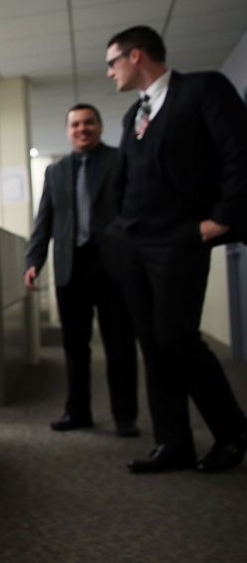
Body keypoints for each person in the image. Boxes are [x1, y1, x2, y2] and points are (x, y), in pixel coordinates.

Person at [103, 25, 247, 473]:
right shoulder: (133, 116)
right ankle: (173, 442)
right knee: (152, 340)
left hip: (180, 236)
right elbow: (126, 177)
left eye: (112, 62)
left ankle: (233, 433)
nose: (109, 72)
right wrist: (117, 231)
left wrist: (222, 217)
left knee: (176, 336)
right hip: (136, 242)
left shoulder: (202, 89)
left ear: (136, 55)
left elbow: (238, 151)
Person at [25, 104, 139, 437]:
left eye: (89, 122)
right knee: (75, 347)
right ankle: (78, 412)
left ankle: (125, 416)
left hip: (113, 267)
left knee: (119, 345)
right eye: (75, 124)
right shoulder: (56, 172)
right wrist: (33, 261)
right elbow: (44, 220)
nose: (82, 129)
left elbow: (134, 210)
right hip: (71, 268)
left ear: (100, 127)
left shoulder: (120, 161)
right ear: (68, 131)